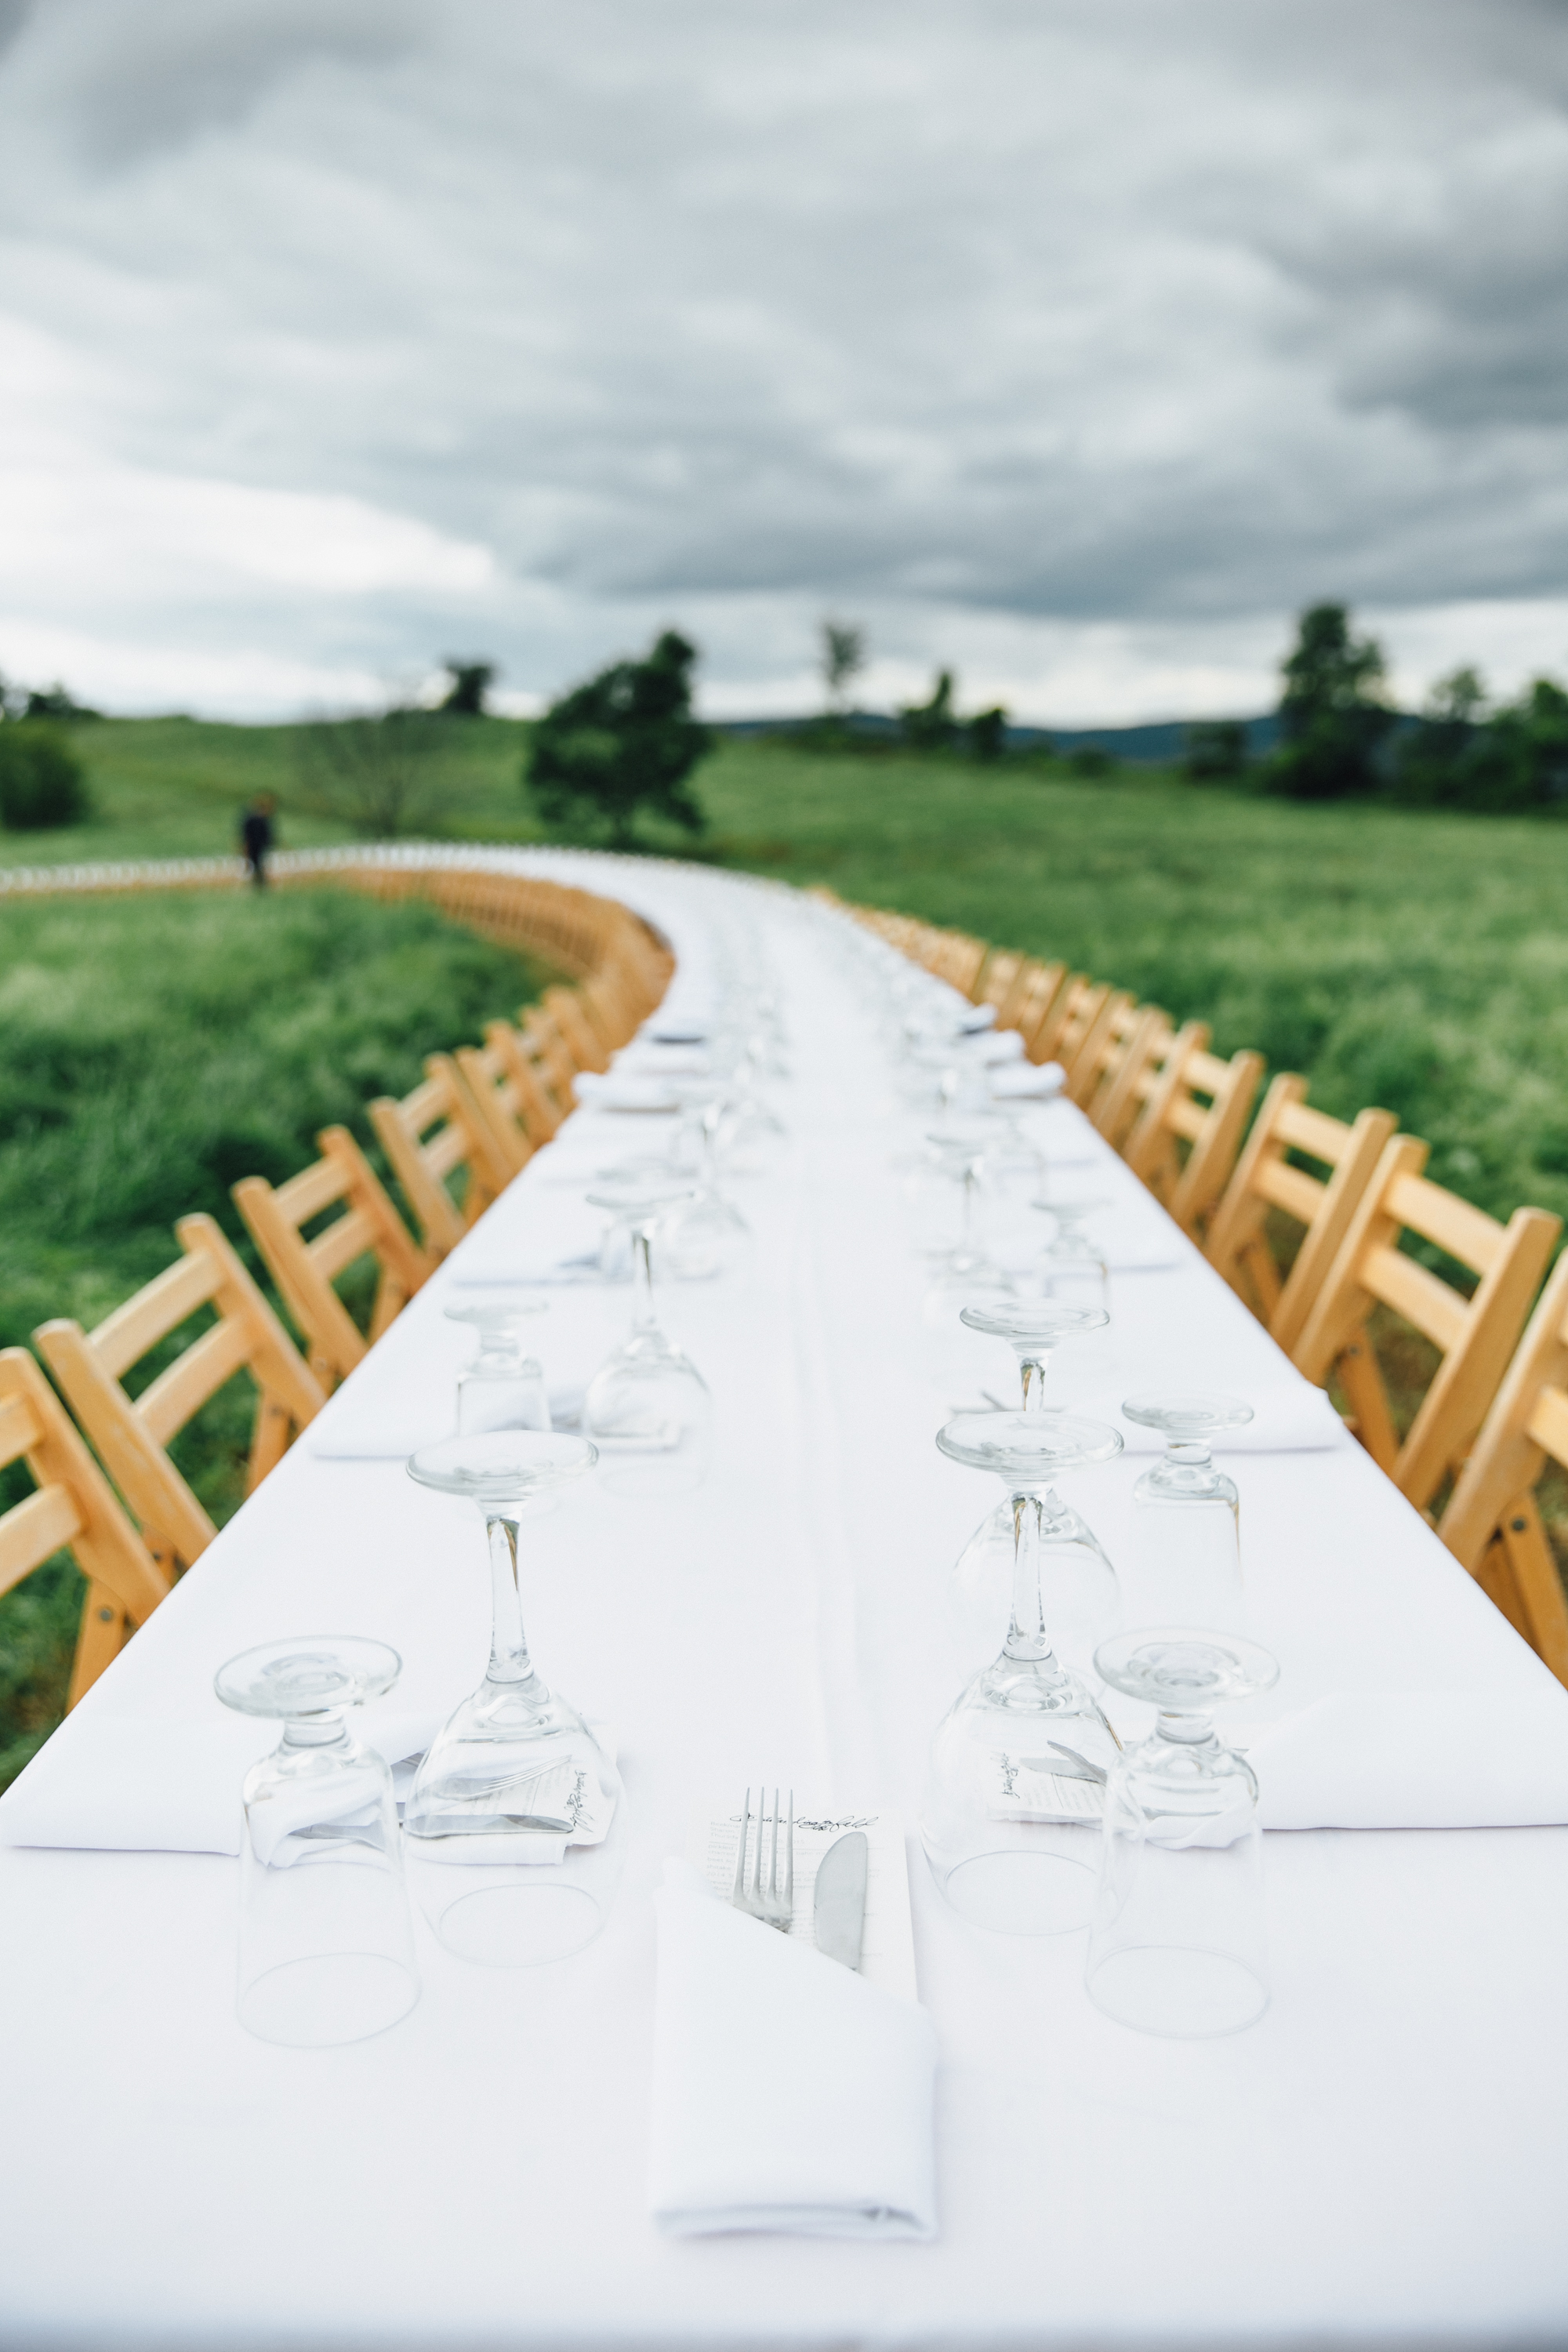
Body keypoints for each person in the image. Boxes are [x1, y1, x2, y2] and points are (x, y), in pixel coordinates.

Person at [239, 793, 276, 887]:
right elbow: (248, 836)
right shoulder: (255, 820)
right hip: (256, 847)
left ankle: (259, 883)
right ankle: (260, 883)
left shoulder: (260, 820)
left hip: (258, 847)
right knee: (258, 865)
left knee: (258, 865)